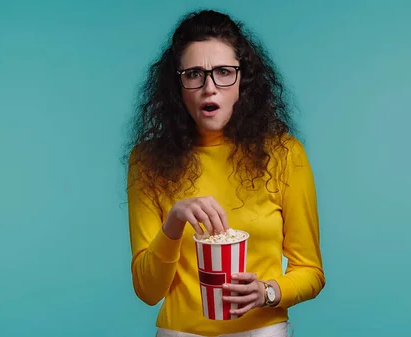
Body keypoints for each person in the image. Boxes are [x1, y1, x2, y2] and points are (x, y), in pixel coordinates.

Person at [124, 9, 325, 337]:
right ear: (177, 85)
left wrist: (268, 292)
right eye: (193, 74)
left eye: (223, 72)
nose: (209, 87)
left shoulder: (284, 154)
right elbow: (148, 291)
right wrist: (174, 222)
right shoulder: (147, 160)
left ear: (243, 80)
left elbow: (311, 272)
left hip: (262, 331)